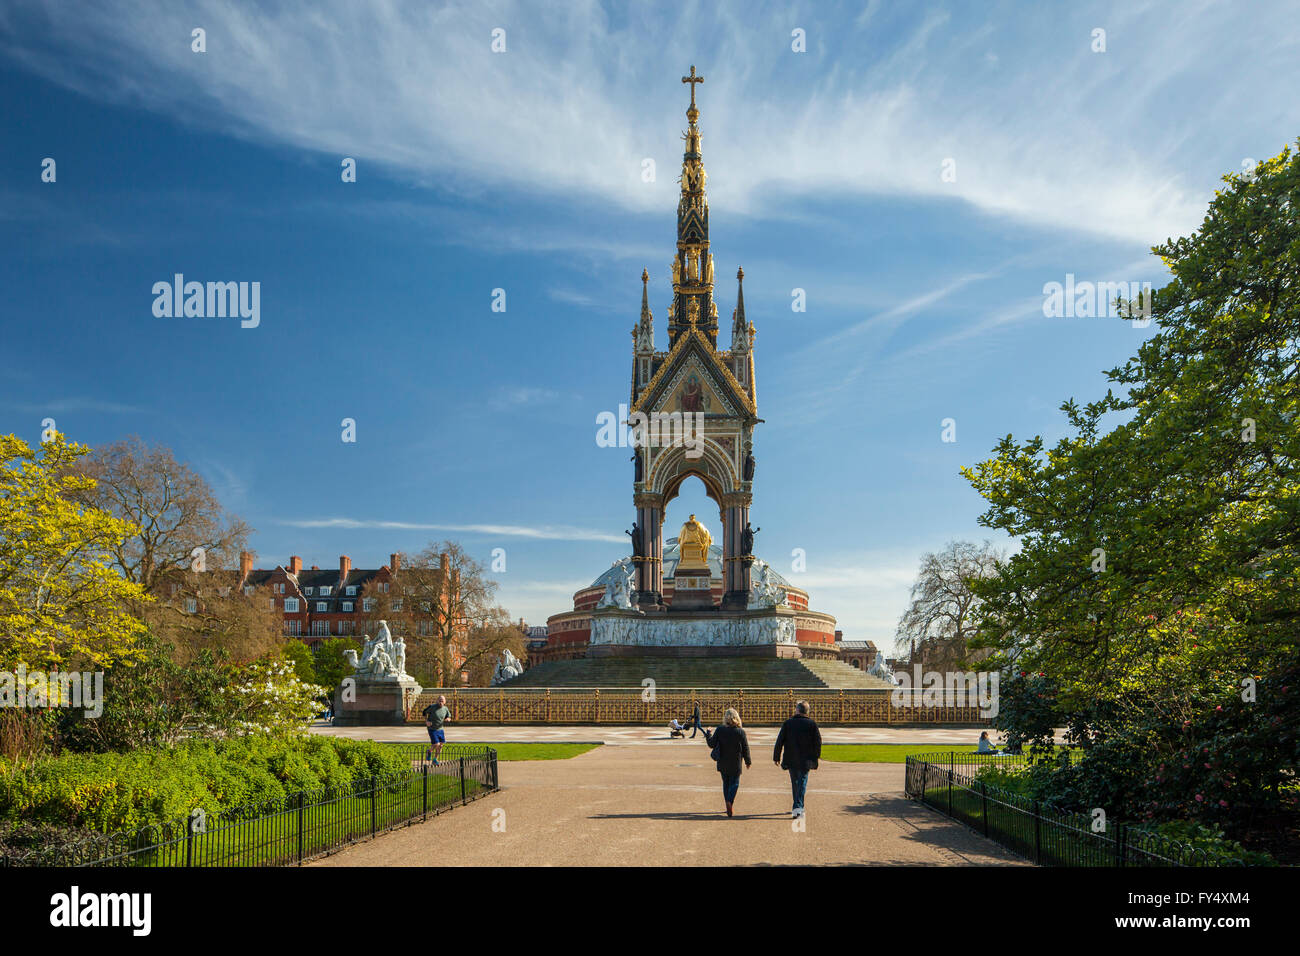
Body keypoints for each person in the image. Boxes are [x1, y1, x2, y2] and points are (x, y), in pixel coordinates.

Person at [773, 700, 821, 819]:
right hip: (806, 759)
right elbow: (818, 742)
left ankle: (797, 806)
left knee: (796, 783)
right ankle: (798, 807)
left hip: (791, 758)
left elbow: (780, 741)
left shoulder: (788, 723)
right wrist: (816, 757)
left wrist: (776, 756)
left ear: (797, 710)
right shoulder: (811, 724)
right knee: (802, 783)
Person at [702, 708, 752, 817]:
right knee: (735, 783)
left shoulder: (720, 730)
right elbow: (745, 748)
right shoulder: (740, 732)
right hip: (735, 761)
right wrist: (748, 761)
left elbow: (711, 744)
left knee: (726, 783)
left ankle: (728, 804)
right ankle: (730, 802)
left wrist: (708, 733)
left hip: (723, 761)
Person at [422, 694, 451, 766]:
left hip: (440, 729)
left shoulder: (445, 709)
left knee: (441, 745)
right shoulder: (432, 707)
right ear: (437, 701)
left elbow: (449, 716)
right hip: (432, 728)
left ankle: (435, 759)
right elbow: (424, 712)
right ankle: (429, 751)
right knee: (436, 744)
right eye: (439, 700)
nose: (441, 702)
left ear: (445, 702)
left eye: (442, 701)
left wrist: (448, 719)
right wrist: (426, 721)